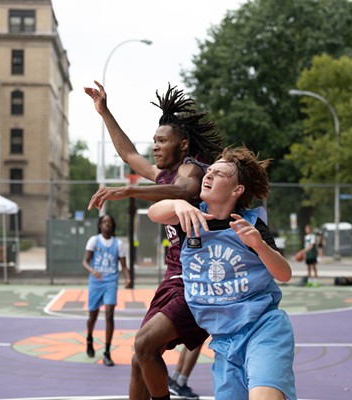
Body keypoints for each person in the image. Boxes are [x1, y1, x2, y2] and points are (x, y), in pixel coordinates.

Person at [85, 81, 222, 399]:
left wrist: (129, 190)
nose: (156, 147)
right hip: (172, 279)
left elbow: (186, 190)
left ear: (183, 144)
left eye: (163, 141)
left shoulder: (193, 170)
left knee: (144, 345)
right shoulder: (163, 174)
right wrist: (105, 112)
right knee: (139, 359)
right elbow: (128, 153)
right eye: (155, 141)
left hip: (198, 281)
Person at [148, 146, 297, 400]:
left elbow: (284, 274)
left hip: (262, 329)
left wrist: (259, 246)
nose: (208, 175)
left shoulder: (250, 225)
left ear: (237, 190)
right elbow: (154, 213)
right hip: (224, 341)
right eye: (210, 171)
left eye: (219, 174)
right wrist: (176, 203)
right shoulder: (191, 217)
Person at [82, 214, 130, 366]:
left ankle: (107, 352)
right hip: (96, 282)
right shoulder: (94, 241)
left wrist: (127, 278)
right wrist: (92, 270)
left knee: (109, 314)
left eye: (109, 222)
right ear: (100, 225)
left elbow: (123, 266)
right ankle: (89, 338)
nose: (107, 224)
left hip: (111, 282)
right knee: (93, 316)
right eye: (104, 222)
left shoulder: (118, 244)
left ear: (113, 225)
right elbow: (85, 261)